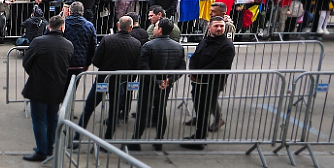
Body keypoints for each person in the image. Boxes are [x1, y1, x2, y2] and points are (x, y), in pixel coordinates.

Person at [76, 16, 142, 141]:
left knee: (89, 108)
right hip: (121, 82)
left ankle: (77, 137)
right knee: (114, 112)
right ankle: (108, 139)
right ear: (131, 28)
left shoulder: (107, 40)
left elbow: (96, 60)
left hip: (103, 80)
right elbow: (136, 67)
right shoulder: (136, 44)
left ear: (118, 25)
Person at [22, 15, 74, 162]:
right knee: (52, 118)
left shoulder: (38, 42)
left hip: (38, 86)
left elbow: (27, 62)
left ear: (49, 27)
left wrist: (35, 73)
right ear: (63, 27)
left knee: (39, 120)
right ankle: (49, 146)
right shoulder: (68, 45)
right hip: (57, 86)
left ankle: (41, 151)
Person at [130, 18, 185, 150]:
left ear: (160, 30)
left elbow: (144, 67)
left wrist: (158, 81)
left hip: (148, 85)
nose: (154, 28)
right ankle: (159, 140)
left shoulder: (149, 46)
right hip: (165, 85)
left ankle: (136, 141)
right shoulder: (178, 47)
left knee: (143, 112)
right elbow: (181, 68)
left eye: (155, 27)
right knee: (161, 111)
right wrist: (169, 80)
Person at [181, 18, 235, 150]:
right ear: (209, 27)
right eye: (216, 26)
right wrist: (193, 73)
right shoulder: (205, 41)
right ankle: (199, 135)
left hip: (212, 84)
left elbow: (217, 66)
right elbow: (194, 58)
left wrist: (198, 75)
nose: (219, 28)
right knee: (200, 110)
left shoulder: (227, 46)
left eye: (221, 26)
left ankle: (200, 140)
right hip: (198, 82)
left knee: (204, 111)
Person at [62, 1, 96, 81]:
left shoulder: (63, 24)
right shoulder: (89, 26)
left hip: (64, 62)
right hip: (80, 63)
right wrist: (88, 63)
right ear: (82, 12)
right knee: (74, 85)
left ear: (70, 11)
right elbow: (92, 46)